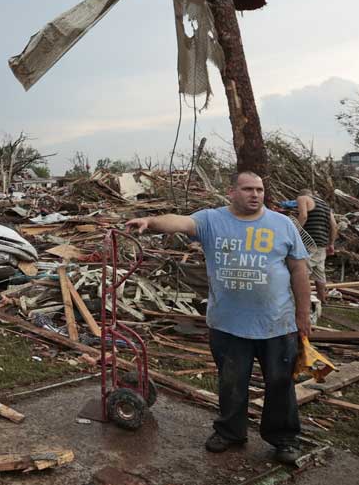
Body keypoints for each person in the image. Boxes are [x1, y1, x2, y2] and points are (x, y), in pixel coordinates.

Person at [126, 171, 312, 464]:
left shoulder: (282, 224)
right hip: (228, 324)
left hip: (277, 323)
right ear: (232, 192)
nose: (255, 195)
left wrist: (303, 314)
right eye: (248, 189)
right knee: (231, 382)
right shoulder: (212, 220)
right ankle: (230, 432)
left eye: (260, 190)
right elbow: (181, 221)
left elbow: (299, 270)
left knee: (279, 383)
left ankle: (284, 439)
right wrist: (151, 222)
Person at [295, 188, 338, 305]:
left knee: (303, 271)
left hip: (309, 242)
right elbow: (334, 226)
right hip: (322, 243)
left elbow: (303, 216)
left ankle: (301, 301)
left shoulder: (302, 198)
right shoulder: (325, 205)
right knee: (319, 273)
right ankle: (322, 299)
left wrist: (293, 233)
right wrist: (331, 243)